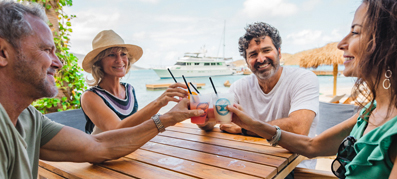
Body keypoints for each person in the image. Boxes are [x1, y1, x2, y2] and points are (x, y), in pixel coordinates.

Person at [0, 2, 203, 178]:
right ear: (2, 53)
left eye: (123, 54)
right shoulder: (91, 96)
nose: (59, 63)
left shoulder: (30, 119)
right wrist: (161, 107)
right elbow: (112, 133)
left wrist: (168, 118)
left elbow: (99, 146)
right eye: (46, 50)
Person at [227, 0, 397, 178]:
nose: (341, 43)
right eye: (253, 54)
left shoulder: (390, 127)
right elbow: (311, 146)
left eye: (355, 32)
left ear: (388, 43)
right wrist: (251, 124)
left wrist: (246, 128)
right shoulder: (370, 112)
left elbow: (302, 131)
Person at [199, 22, 319, 169]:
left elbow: (298, 129)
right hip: (251, 163)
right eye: (253, 54)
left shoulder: (303, 79)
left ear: (279, 53)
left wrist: (244, 128)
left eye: (266, 50)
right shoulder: (239, 87)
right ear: (247, 62)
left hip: (294, 169)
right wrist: (202, 118)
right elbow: (216, 121)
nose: (261, 59)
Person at [80, 30, 189, 134]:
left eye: (123, 54)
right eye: (111, 55)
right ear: (99, 63)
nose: (119, 60)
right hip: (101, 152)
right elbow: (117, 130)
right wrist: (159, 103)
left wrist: (171, 112)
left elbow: (135, 125)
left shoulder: (129, 89)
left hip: (129, 150)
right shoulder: (90, 96)